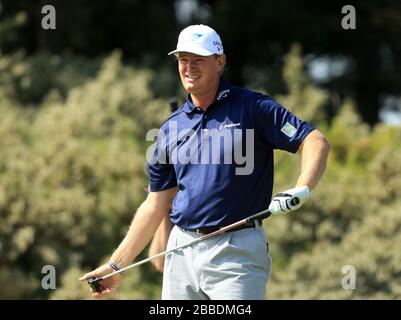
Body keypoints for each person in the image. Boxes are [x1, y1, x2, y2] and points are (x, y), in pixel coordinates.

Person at [79, 24, 330, 300]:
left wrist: (302, 188)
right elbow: (155, 203)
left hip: (237, 251)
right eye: (183, 60)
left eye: (198, 59)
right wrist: (116, 265)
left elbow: (314, 140)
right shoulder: (170, 128)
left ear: (220, 62)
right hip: (180, 250)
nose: (189, 67)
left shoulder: (253, 107)